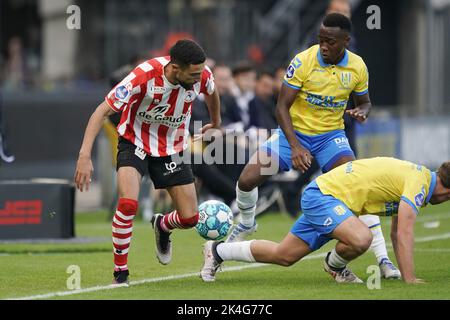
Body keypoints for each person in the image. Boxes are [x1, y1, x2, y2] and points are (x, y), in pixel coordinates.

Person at [225, 12, 401, 281]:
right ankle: (247, 222)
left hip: (331, 137)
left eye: (330, 41)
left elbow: (364, 101)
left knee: (357, 186)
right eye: (321, 40)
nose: (324, 46)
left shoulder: (357, 67)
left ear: (346, 41)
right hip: (293, 134)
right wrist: (295, 146)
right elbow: (281, 106)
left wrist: (363, 111)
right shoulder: (303, 61)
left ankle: (383, 259)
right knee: (248, 179)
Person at [74, 39, 221, 285]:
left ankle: (162, 226)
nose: (199, 78)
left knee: (190, 219)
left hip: (171, 147)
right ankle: (120, 274)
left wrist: (216, 121)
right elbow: (101, 111)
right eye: (193, 74)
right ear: (175, 68)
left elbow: (212, 92)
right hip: (135, 143)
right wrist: (84, 155)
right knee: (129, 204)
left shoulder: (202, 75)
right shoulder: (143, 76)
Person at [201, 157, 450, 284]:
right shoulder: (420, 183)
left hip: (333, 202)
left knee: (284, 255)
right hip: (325, 197)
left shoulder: (419, 179)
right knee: (361, 237)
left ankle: (218, 251)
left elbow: (397, 232)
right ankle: (336, 266)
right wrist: (410, 279)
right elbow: (406, 233)